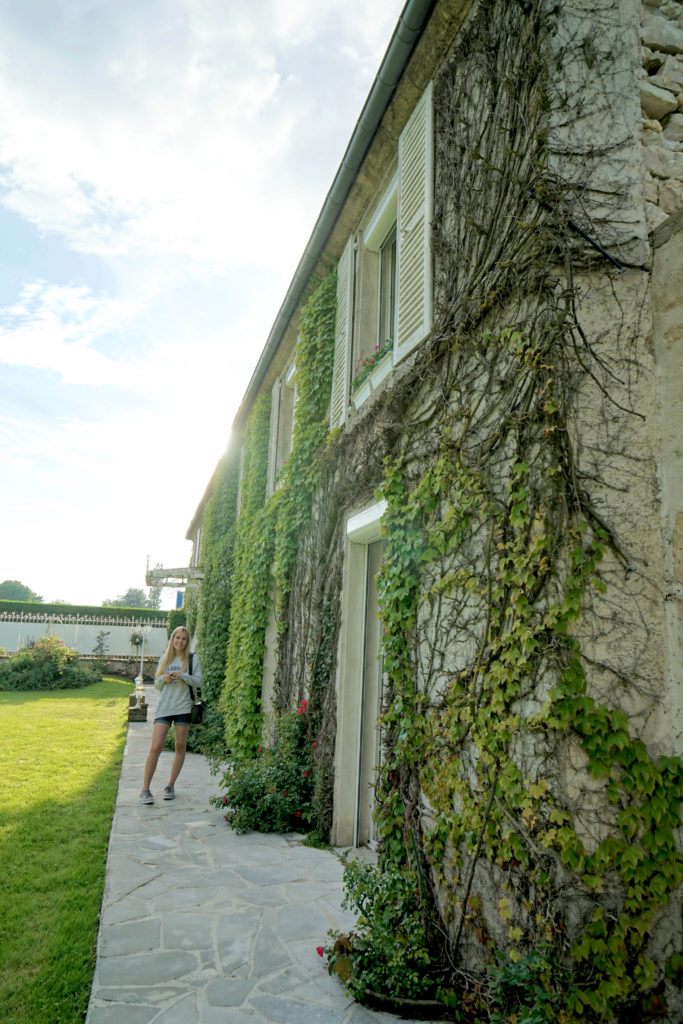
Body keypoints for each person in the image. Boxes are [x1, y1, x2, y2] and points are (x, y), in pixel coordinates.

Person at [139, 625, 202, 804]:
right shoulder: (164, 659)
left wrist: (183, 675)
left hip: (183, 707)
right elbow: (157, 685)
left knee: (180, 747)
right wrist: (163, 679)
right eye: (177, 638)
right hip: (164, 708)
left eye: (183, 639)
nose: (180, 641)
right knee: (156, 747)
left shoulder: (192, 658)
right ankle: (145, 789)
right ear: (172, 639)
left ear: (187, 641)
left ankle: (170, 785)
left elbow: (199, 682)